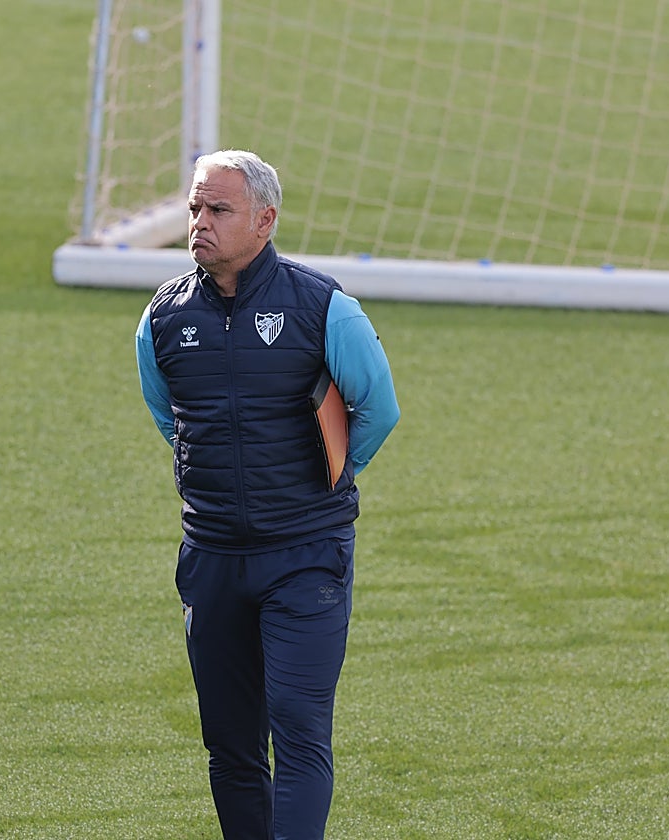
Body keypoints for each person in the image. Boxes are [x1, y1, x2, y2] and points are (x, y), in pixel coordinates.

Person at [135, 149, 400, 840]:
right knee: (229, 742)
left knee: (299, 729)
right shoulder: (163, 318)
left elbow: (379, 409)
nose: (200, 222)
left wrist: (328, 481)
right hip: (213, 558)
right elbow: (173, 418)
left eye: (218, 209)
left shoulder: (323, 307)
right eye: (195, 207)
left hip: (305, 555)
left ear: (264, 219)